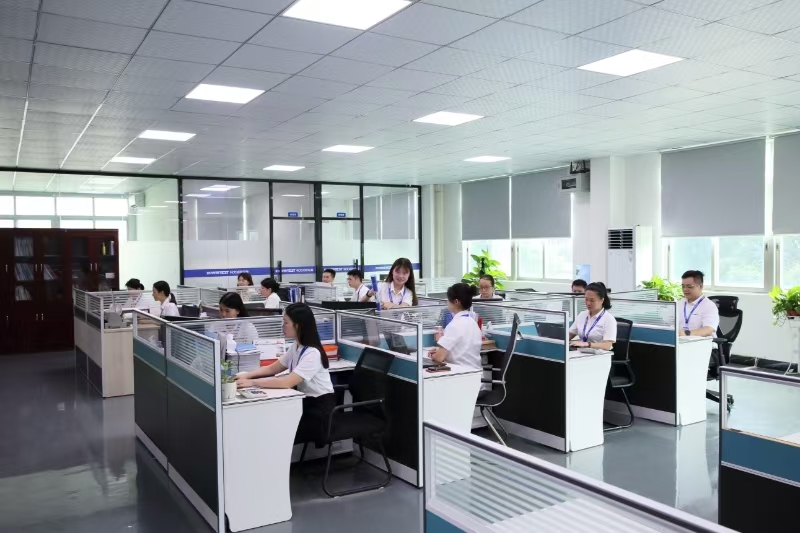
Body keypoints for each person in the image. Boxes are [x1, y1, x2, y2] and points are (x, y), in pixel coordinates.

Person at [236, 303, 335, 444]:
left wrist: (252, 382)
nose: (282, 326)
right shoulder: (297, 346)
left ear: (298, 325)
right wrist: (247, 375)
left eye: (286, 322)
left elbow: (287, 382)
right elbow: (273, 369)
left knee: (277, 428)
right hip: (305, 402)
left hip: (319, 410)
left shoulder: (312, 353)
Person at [429, 283, 482, 369]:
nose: (447, 302)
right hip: (475, 371)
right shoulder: (473, 323)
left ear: (456, 302)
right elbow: (462, 350)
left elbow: (439, 358)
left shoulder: (454, 325)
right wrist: (440, 351)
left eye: (448, 300)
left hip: (461, 372)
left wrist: (433, 355)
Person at [569, 282, 616, 351]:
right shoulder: (582, 315)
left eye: (592, 300)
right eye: (586, 299)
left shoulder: (608, 319)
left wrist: (587, 344)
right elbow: (569, 334)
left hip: (600, 354)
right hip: (581, 352)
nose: (588, 303)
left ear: (602, 300)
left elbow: (607, 346)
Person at [678, 270, 718, 337]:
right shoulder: (680, 303)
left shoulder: (709, 306)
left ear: (700, 286)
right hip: (682, 341)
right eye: (683, 286)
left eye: (689, 286)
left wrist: (686, 333)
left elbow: (709, 329)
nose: (685, 289)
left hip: (703, 342)